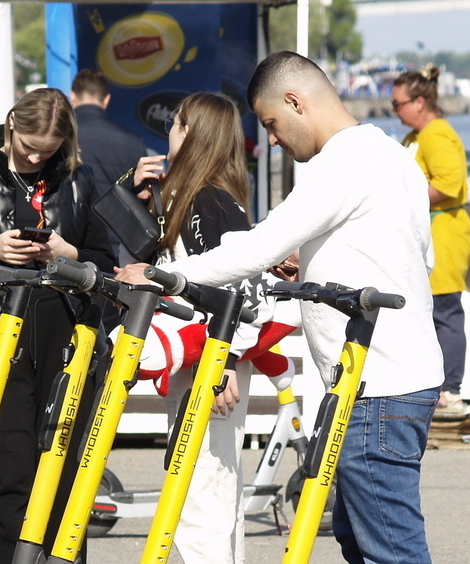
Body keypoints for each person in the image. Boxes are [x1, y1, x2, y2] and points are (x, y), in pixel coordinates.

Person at [118, 51, 444, 563]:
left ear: (295, 101)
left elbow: (256, 246)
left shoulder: (340, 163)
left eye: (271, 123)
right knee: (361, 541)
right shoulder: (393, 156)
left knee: (390, 550)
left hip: (376, 385)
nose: (271, 139)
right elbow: (414, 255)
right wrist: (311, 261)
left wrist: (166, 276)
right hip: (404, 377)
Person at [0, 87, 115, 564]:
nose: (36, 156)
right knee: (4, 469)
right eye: (29, 144)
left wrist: (66, 254)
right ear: (11, 122)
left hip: (65, 329)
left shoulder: (79, 179)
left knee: (62, 466)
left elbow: (106, 265)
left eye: (48, 150)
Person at [118, 92, 296, 564]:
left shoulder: (209, 201)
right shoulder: (194, 195)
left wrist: (221, 366)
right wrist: (132, 192)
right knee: (204, 485)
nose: (169, 132)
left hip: (212, 360)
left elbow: (239, 291)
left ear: (195, 135)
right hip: (204, 356)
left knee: (202, 488)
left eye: (177, 125)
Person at [392, 66, 470, 417]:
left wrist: (403, 201)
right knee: (426, 313)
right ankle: (430, 386)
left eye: (398, 104)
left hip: (444, 232)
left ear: (420, 101)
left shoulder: (436, 134)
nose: (393, 110)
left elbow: (448, 183)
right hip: (424, 233)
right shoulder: (415, 137)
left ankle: (451, 390)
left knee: (445, 312)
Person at [70, 69, 147, 264]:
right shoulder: (132, 141)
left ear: (72, 97)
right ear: (106, 100)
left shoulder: (63, 138)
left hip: (73, 246)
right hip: (118, 247)